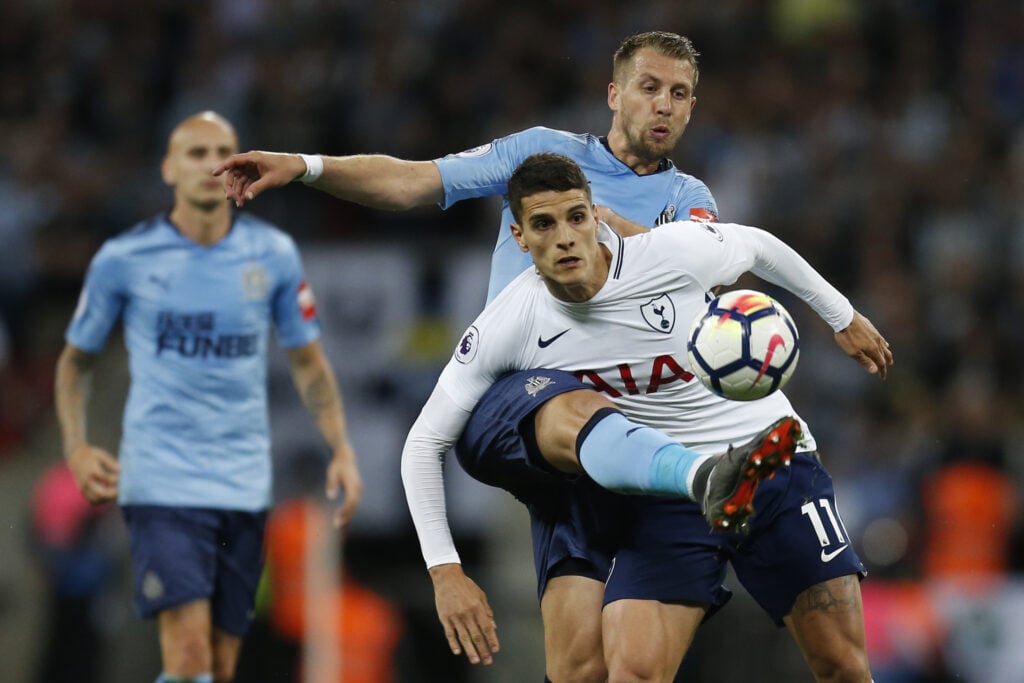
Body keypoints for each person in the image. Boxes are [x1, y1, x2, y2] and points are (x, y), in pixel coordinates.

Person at [399, 153, 890, 682]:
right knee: (633, 674)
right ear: (519, 237)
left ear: (595, 216)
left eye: (576, 217)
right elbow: (423, 444)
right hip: (672, 498)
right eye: (544, 224)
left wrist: (843, 316)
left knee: (842, 666)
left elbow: (758, 246)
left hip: (774, 462)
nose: (565, 237)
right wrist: (445, 569)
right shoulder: (511, 322)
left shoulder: (670, 253)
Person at [54, 111, 364, 683]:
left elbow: (309, 363)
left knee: (219, 667)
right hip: (160, 482)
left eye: (221, 151)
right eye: (194, 152)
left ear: (238, 167)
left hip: (244, 484)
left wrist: (342, 447)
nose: (209, 163)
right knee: (189, 652)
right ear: (168, 169)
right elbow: (76, 363)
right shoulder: (124, 260)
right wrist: (76, 447)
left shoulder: (272, 255)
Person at [214, 31, 717, 303]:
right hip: (521, 381)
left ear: (691, 109)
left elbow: (708, 283)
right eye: (649, 88)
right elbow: (410, 182)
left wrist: (606, 225)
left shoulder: (691, 199)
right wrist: (306, 165)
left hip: (627, 391)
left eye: (678, 94)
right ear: (615, 94)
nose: (664, 106)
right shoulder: (541, 152)